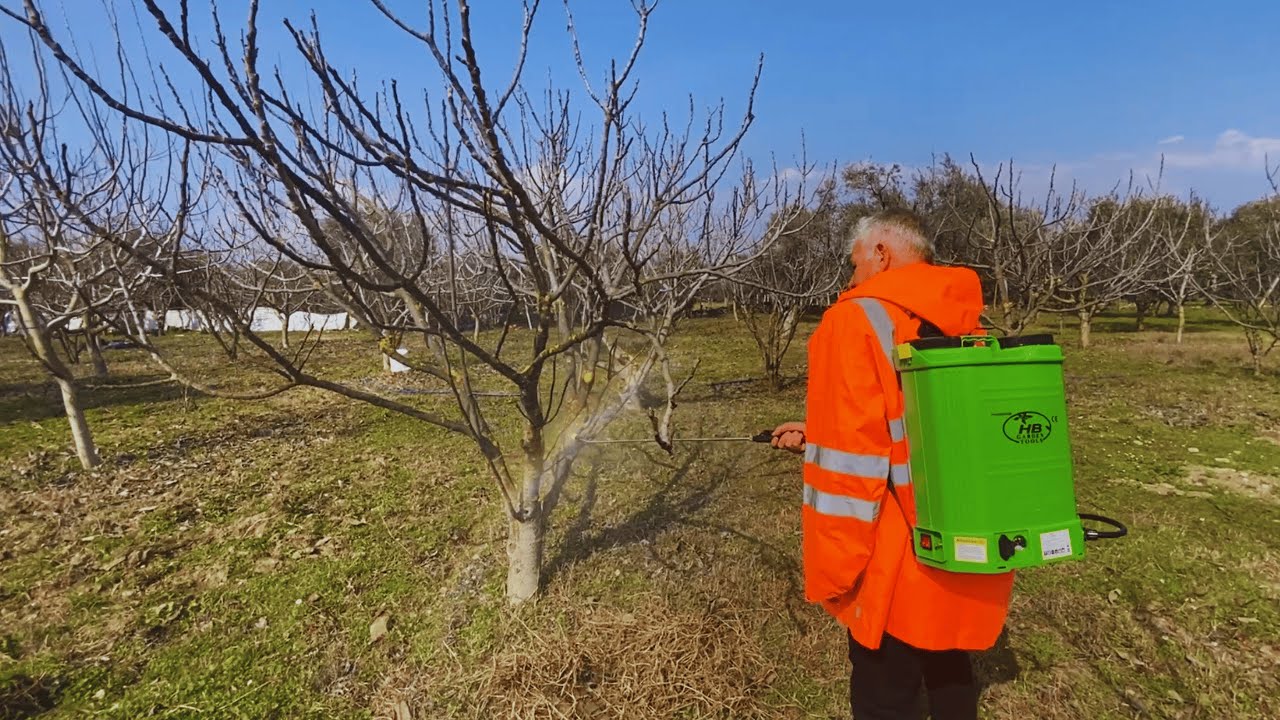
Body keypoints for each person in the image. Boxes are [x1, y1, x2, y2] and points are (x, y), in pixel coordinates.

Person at [771, 209, 1014, 720]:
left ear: (881, 253)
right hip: (960, 525)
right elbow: (917, 418)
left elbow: (855, 460)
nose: (851, 274)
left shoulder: (853, 319)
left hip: (895, 550)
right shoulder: (963, 316)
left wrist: (838, 569)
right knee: (949, 662)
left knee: (886, 689)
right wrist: (818, 431)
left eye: (855, 260)